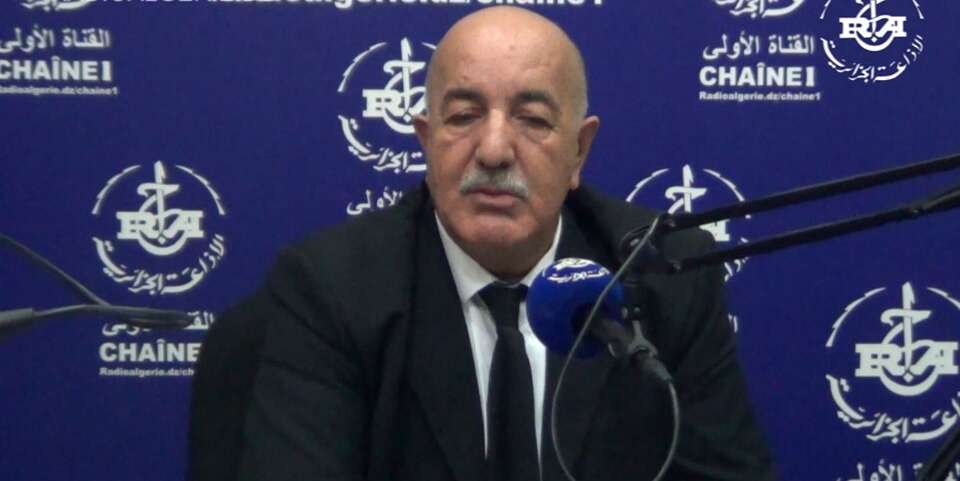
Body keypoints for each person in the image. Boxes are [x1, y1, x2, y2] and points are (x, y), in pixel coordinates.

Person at [188, 6, 776, 481]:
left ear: (579, 150)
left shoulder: (661, 275)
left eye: (532, 120)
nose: (494, 151)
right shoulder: (331, 289)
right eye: (465, 116)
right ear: (426, 140)